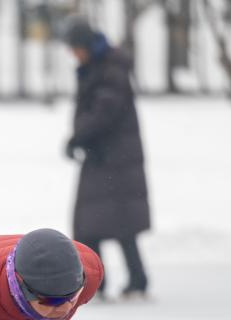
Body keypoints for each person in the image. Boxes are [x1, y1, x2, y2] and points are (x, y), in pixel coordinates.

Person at [63, 17, 150, 300]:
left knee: (98, 224)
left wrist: (78, 137)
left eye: (75, 48)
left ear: (86, 45)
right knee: (105, 222)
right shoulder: (100, 66)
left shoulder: (109, 68)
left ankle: (104, 284)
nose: (73, 54)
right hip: (106, 157)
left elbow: (104, 111)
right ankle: (119, 281)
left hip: (114, 159)